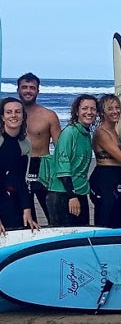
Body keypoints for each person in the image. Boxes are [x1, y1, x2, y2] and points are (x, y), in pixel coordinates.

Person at [45, 94, 98, 226]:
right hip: (63, 194)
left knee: (81, 235)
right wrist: (71, 196)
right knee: (64, 238)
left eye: (93, 109)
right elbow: (63, 166)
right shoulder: (70, 132)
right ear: (77, 111)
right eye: (85, 108)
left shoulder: (85, 134)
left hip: (79, 192)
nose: (89, 112)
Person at [88, 94, 121, 228]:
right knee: (105, 219)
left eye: (117, 108)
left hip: (115, 176)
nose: (115, 111)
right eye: (110, 108)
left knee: (116, 218)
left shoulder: (114, 130)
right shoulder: (101, 132)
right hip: (104, 177)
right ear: (102, 113)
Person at [16, 73, 61, 224]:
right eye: (24, 87)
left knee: (54, 215)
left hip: (43, 166)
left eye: (32, 88)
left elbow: (60, 148)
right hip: (19, 166)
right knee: (25, 217)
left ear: (38, 91)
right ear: (18, 90)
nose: (28, 91)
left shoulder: (48, 115)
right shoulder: (10, 114)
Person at [0, 97, 38, 232]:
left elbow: (21, 180)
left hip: (11, 194)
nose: (13, 115)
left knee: (27, 227)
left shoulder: (25, 144)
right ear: (3, 117)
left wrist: (27, 210)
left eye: (17, 112)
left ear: (23, 117)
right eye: (8, 112)